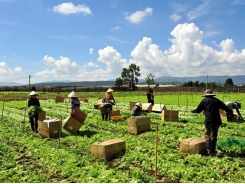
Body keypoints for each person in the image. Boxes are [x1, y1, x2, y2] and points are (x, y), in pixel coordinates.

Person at [191, 89, 234, 156]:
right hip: (217, 120)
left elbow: (199, 110)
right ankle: (213, 149)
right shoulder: (216, 100)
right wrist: (231, 115)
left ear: (205, 95)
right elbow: (226, 108)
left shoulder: (204, 100)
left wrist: (194, 111)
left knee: (207, 134)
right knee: (214, 135)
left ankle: (209, 151)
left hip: (209, 120)